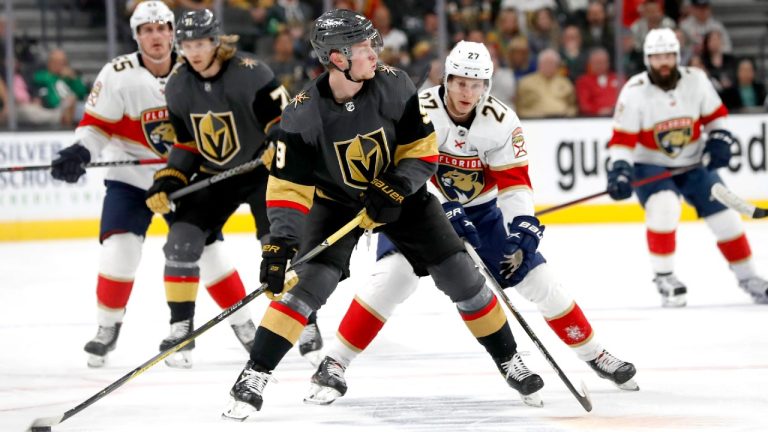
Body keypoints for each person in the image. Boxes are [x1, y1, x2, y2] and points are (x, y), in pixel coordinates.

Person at [222, 10, 545, 421]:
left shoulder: (394, 84)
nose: (375, 52)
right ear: (337, 58)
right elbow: (289, 188)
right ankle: (254, 374)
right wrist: (280, 245)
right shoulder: (302, 113)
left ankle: (510, 360)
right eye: (363, 47)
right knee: (307, 284)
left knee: (461, 275)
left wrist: (396, 185)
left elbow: (423, 150)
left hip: (402, 198)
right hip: (335, 203)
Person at [304, 41, 638, 407]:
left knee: (538, 279)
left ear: (487, 86)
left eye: (476, 84)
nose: (467, 92)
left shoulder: (502, 122)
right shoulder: (418, 108)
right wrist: (444, 206)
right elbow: (406, 167)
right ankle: (334, 363)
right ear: (447, 79)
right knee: (392, 278)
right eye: (461, 82)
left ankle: (594, 354)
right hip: (416, 211)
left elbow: (514, 183)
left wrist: (522, 224)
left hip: (481, 216)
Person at [49, 1, 258, 368]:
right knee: (120, 250)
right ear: (136, 36)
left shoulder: (195, 68)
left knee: (209, 252)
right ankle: (107, 327)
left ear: (173, 32)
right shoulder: (117, 74)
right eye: (147, 30)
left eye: (162, 27)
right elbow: (96, 128)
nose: (156, 35)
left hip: (185, 179)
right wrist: (80, 151)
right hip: (131, 181)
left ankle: (244, 324)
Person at [143, 8, 322, 368]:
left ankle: (305, 322)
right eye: (187, 45)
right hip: (217, 175)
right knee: (180, 242)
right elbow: (187, 144)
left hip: (262, 171)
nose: (194, 52)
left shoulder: (251, 73)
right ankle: (181, 330)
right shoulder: (178, 85)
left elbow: (284, 122)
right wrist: (168, 178)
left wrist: (276, 143)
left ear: (216, 41)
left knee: (279, 247)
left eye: (201, 43)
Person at [606, 28, 768, 307]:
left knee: (726, 218)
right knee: (665, 206)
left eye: (669, 55)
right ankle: (665, 277)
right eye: (658, 57)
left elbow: (716, 118)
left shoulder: (697, 80)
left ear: (677, 55)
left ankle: (750, 278)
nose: (664, 62)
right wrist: (620, 169)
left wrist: (719, 138)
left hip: (694, 163)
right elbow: (622, 140)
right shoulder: (634, 91)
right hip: (651, 165)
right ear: (648, 59)